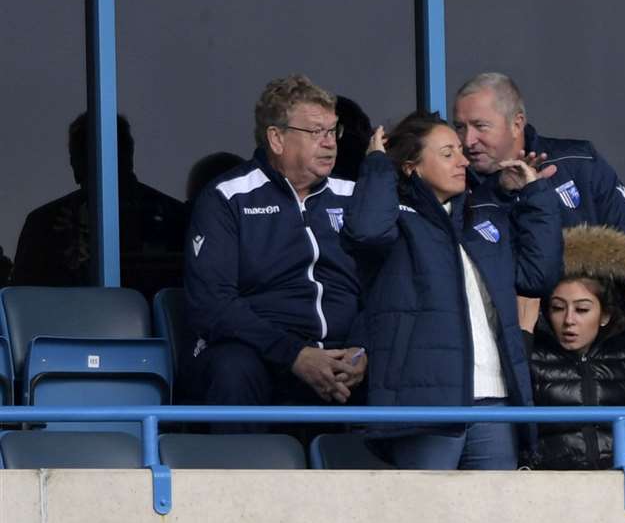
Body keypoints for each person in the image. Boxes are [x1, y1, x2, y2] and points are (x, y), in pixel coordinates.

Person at [345, 110, 562, 469]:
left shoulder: (480, 219)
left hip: (495, 399)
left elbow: (538, 276)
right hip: (427, 405)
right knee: (429, 520)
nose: (463, 161)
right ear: (411, 166)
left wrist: (535, 195)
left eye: (460, 151)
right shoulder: (397, 220)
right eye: (447, 154)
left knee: (493, 521)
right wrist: (378, 165)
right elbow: (366, 231)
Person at [183, 74, 367, 408]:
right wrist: (295, 354)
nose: (330, 143)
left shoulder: (353, 196)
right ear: (277, 139)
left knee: (404, 364)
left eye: (332, 130)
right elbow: (213, 303)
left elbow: (383, 289)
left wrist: (364, 348)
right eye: (315, 132)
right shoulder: (228, 197)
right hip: (264, 353)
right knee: (232, 368)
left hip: (344, 355)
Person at [519, 225, 625, 470]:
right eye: (557, 307)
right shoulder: (533, 353)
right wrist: (523, 332)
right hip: (549, 491)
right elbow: (508, 410)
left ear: (605, 315)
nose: (569, 320)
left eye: (582, 309)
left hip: (617, 490)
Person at [452, 71, 625, 258]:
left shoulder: (579, 163)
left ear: (517, 124)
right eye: (460, 127)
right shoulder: (453, 185)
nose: (468, 140)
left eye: (480, 126)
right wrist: (498, 191)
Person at [12, 112, 187, 299]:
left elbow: (24, 301)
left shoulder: (43, 223)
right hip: (133, 324)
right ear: (130, 155)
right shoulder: (175, 216)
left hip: (76, 323)